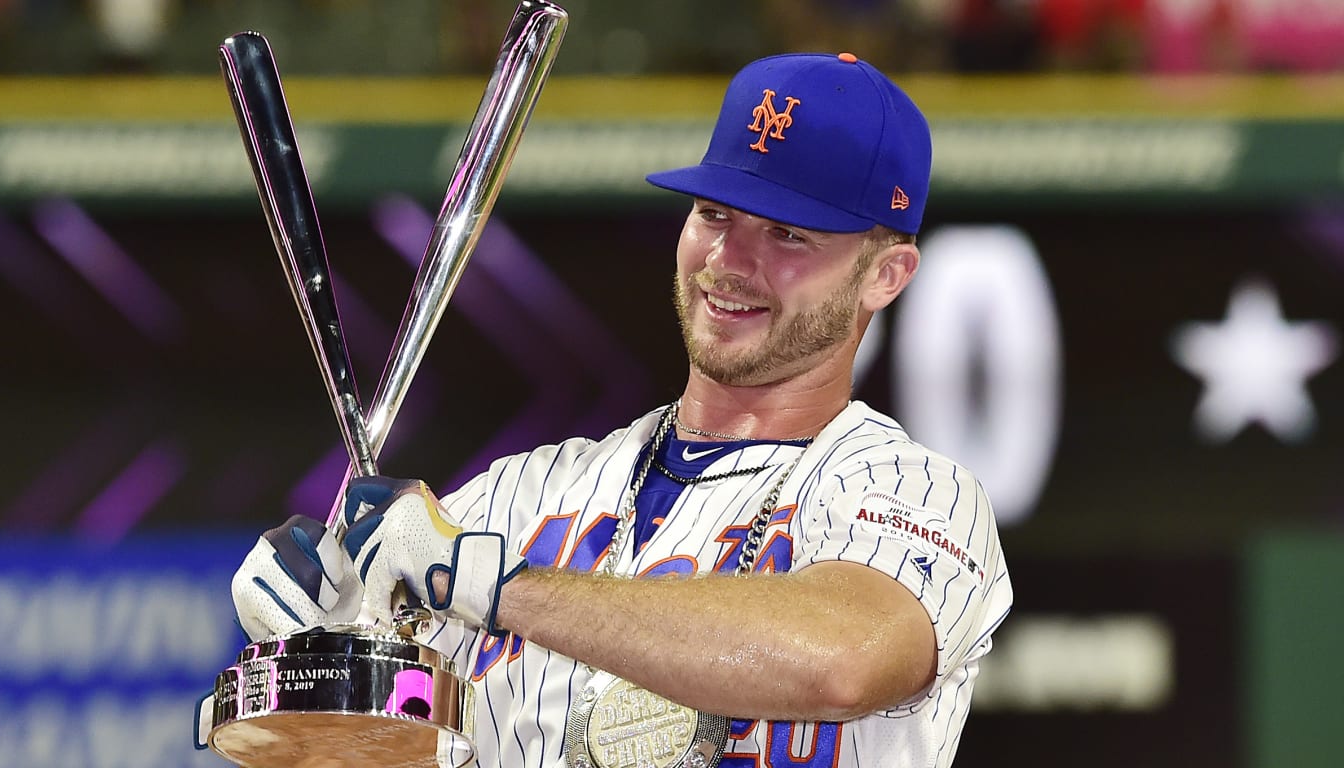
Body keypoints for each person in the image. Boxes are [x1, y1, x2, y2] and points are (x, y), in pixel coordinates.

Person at [216, 51, 1012, 768]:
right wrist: (326, 651)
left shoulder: (909, 492)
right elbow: (371, 757)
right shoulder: (513, 500)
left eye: (788, 235)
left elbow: (842, 662)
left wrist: (498, 585)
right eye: (714, 214)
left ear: (887, 275)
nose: (731, 261)